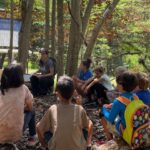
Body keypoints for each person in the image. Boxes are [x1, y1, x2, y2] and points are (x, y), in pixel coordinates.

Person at [36, 76, 93, 150]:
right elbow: (90, 125)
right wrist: (88, 142)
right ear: (73, 93)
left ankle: (46, 147)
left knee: (43, 129)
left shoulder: (53, 108)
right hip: (78, 148)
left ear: (58, 93)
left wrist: (44, 144)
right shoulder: (79, 109)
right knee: (87, 126)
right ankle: (88, 145)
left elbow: (38, 127)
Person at [0, 64, 37, 148]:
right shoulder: (23, 88)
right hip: (15, 134)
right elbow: (30, 107)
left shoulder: (2, 89)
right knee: (32, 111)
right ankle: (33, 137)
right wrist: (21, 108)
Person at [100, 71, 138, 141]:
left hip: (125, 131)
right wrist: (114, 106)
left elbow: (110, 119)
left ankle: (110, 139)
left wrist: (104, 109)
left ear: (121, 85)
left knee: (102, 116)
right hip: (135, 128)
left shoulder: (118, 101)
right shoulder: (136, 97)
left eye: (117, 83)